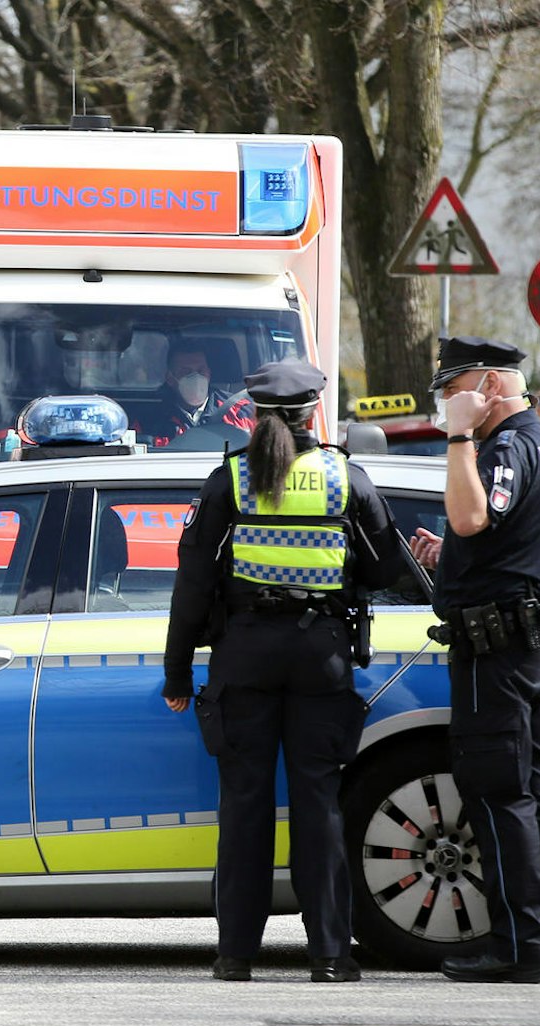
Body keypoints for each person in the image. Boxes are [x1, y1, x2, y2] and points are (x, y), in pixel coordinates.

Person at [161, 360, 412, 983]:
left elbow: (191, 586)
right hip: (321, 658)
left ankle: (235, 955)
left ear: (255, 414)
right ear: (311, 415)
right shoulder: (345, 478)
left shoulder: (230, 482)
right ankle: (329, 955)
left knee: (244, 806)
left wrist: (175, 674)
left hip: (244, 656)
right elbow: (386, 569)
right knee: (318, 807)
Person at [406, 335, 540, 985]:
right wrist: (450, 557)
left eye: (451, 390)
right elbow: (501, 541)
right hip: (534, 647)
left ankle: (520, 947)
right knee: (537, 798)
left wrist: (459, 440)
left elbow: (474, 517)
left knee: (501, 798)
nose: (446, 403)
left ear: (484, 385)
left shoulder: (504, 445)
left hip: (498, 656)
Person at [144, 338, 255, 448]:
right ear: (170, 379)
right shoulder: (150, 421)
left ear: (209, 373)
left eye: (201, 370)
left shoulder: (241, 412)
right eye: (186, 372)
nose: (195, 377)